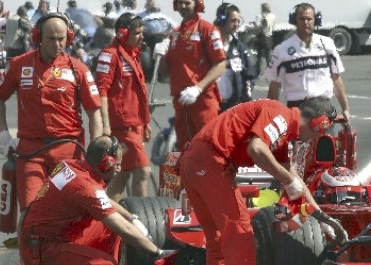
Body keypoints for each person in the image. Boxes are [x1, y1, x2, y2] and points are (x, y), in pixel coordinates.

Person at [180, 97, 337, 265]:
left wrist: (319, 216)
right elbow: (257, 149)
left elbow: (291, 175)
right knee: (241, 237)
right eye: (321, 132)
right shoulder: (280, 115)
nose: (317, 139)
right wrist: (286, 180)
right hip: (211, 162)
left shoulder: (282, 125)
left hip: (196, 161)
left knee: (218, 242)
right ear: (319, 123)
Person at [0, 13, 102, 265]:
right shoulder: (19, 65)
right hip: (30, 152)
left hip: (68, 151)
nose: (57, 44)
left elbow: (93, 110)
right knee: (30, 212)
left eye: (62, 38)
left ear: (70, 38)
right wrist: (3, 134)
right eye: (51, 38)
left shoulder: (78, 68)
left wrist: (98, 144)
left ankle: (70, 264)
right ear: (38, 38)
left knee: (70, 212)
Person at [19, 135, 165, 265]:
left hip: (49, 238)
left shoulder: (73, 167)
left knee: (113, 226)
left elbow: (102, 200)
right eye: (117, 164)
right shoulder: (82, 186)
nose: (119, 169)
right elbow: (123, 228)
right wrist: (158, 251)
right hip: (42, 250)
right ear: (106, 163)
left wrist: (132, 218)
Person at [153, 0, 226, 150]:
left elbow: (220, 64)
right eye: (180, 3)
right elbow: (165, 72)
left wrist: (198, 88)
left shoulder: (207, 29)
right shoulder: (174, 33)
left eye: (187, 2)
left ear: (197, 3)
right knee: (180, 151)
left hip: (203, 102)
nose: (183, 6)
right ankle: (180, 174)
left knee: (208, 149)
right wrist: (158, 55)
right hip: (180, 103)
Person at [95, 12, 151, 201]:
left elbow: (139, 93)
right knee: (143, 170)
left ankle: (106, 219)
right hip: (122, 126)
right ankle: (142, 219)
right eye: (137, 33)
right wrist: (105, 125)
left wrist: (146, 122)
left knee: (122, 176)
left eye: (142, 32)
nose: (142, 36)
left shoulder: (133, 55)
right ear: (123, 34)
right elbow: (101, 91)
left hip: (135, 125)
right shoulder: (109, 56)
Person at [264, 2, 350, 123]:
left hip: (323, 108)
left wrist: (345, 108)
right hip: (297, 109)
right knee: (297, 142)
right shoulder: (281, 50)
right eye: (301, 18)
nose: (305, 22)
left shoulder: (328, 44)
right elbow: (274, 85)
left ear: (316, 20)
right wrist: (271, 114)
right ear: (294, 20)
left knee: (326, 142)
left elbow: (336, 78)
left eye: (309, 19)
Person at [214, 3, 254, 111]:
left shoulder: (240, 48)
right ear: (222, 20)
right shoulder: (207, 46)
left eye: (238, 21)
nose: (236, 24)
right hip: (211, 105)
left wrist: (245, 101)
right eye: (233, 20)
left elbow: (249, 77)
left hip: (233, 106)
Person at [252, 3, 275, 77]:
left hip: (261, 37)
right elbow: (273, 27)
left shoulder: (259, 16)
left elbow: (257, 27)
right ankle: (270, 72)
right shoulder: (273, 16)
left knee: (259, 56)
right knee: (268, 56)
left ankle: (257, 72)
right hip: (269, 37)